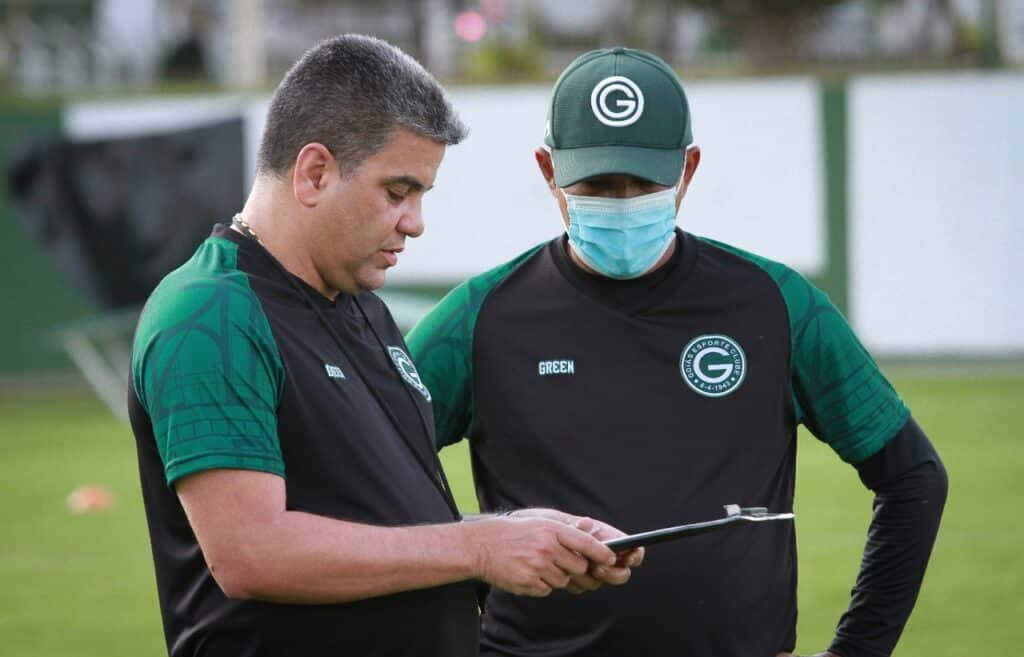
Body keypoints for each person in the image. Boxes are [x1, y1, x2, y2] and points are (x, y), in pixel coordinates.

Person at [407, 46, 948, 657]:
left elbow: (913, 477)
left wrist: (858, 650)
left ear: (688, 169)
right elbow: (365, 481)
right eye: (598, 183)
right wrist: (474, 554)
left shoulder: (779, 305)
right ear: (547, 170)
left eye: (644, 181)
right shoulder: (477, 319)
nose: (623, 200)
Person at [128, 35, 641, 657]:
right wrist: (476, 548)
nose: (415, 221)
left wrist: (516, 534)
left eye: (422, 195)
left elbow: (384, 525)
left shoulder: (362, 306)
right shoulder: (211, 313)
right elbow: (252, 554)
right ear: (314, 172)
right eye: (398, 192)